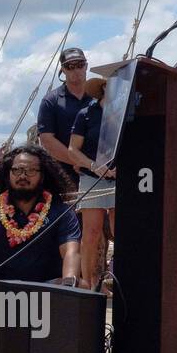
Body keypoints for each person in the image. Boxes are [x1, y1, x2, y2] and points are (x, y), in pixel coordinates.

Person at [0, 146, 81, 322]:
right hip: (1, 289)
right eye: (17, 170)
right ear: (7, 173)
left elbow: (71, 253)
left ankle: (9, 316)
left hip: (47, 288)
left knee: (81, 287)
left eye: (31, 170)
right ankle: (24, 315)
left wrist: (68, 289)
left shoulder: (62, 212)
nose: (23, 176)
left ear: (43, 175)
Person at [68, 78, 115, 286]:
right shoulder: (86, 114)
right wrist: (94, 166)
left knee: (119, 231)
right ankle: (89, 283)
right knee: (91, 233)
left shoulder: (126, 113)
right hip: (91, 176)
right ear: (104, 87)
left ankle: (119, 280)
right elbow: (73, 149)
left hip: (119, 177)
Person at [37, 47, 93, 186]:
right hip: (63, 175)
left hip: (99, 173)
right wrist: (80, 162)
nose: (76, 70)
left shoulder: (100, 97)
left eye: (80, 65)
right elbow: (47, 140)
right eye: (70, 66)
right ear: (63, 69)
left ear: (86, 66)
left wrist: (92, 165)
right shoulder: (51, 100)